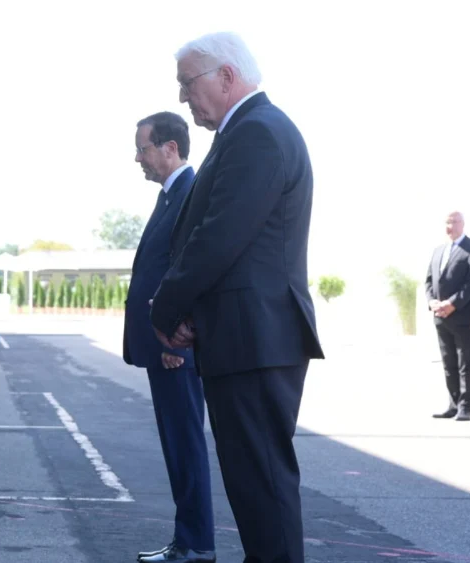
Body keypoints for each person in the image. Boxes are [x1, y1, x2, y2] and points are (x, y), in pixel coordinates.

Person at [148, 32, 324, 563]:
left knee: (262, 490)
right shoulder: (245, 133)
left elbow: (220, 236)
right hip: (245, 337)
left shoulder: (258, 134)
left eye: (187, 84)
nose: (182, 98)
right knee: (254, 491)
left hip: (257, 339)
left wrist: (166, 307)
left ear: (226, 77)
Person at [123, 111, 215, 563]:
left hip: (173, 348)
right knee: (178, 446)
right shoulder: (170, 195)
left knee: (184, 445)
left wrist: (172, 342)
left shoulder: (188, 194)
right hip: (165, 345)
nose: (137, 157)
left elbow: (186, 270)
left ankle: (196, 544)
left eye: (143, 148)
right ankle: (190, 539)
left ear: (170, 148)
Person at [424, 211, 470, 421]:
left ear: (462, 223)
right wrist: (432, 302)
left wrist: (452, 303)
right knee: (448, 361)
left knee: (466, 363)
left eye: (453, 222)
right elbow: (428, 281)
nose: (449, 226)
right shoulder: (438, 251)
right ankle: (453, 404)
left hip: (462, 316)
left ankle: (465, 407)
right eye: (446, 223)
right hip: (440, 317)